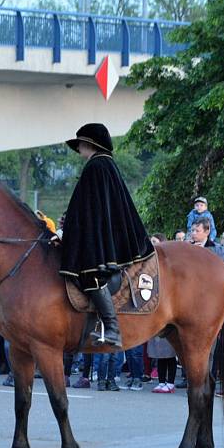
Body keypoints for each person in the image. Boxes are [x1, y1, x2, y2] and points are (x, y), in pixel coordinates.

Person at [59, 124, 154, 350]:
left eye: (82, 142)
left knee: (90, 276)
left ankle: (112, 327)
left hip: (98, 239)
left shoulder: (97, 166)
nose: (79, 147)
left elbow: (85, 210)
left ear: (90, 144)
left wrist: (68, 233)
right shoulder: (104, 165)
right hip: (101, 235)